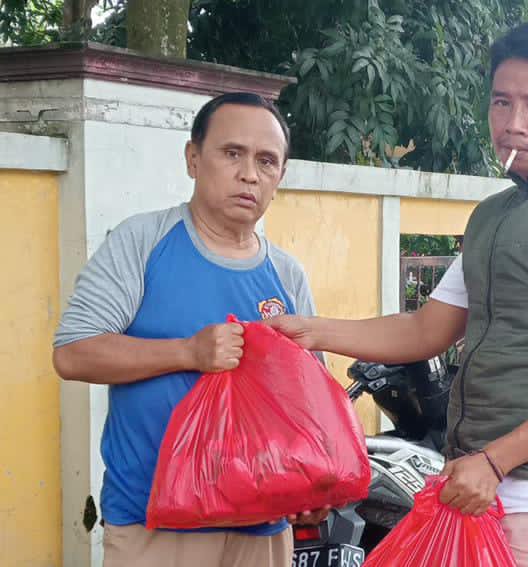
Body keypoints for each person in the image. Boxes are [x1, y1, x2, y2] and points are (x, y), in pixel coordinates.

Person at [267, 20, 528, 567]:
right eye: (501, 103)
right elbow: (427, 329)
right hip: (478, 484)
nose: (513, 124)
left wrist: (496, 461)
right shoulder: (495, 216)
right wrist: (311, 331)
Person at [52, 92, 326, 567]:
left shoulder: (286, 273)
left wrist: (316, 482)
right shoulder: (143, 241)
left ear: (280, 177)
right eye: (232, 153)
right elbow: (73, 352)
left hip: (262, 526)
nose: (249, 174)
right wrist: (187, 353)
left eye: (266, 161)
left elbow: (309, 401)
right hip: (155, 526)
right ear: (193, 159)